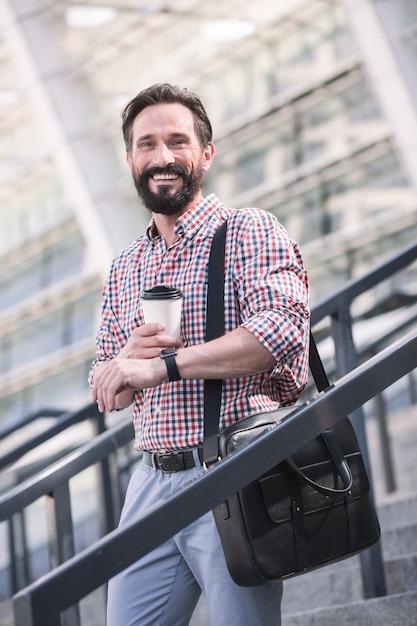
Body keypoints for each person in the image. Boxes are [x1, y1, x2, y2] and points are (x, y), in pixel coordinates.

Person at [89, 83, 310, 626]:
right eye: (146, 145)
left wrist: (163, 365)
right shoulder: (124, 266)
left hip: (235, 470)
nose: (162, 157)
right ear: (130, 159)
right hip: (150, 480)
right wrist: (125, 363)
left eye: (176, 141)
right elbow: (103, 384)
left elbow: (280, 331)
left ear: (205, 153)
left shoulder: (247, 231)